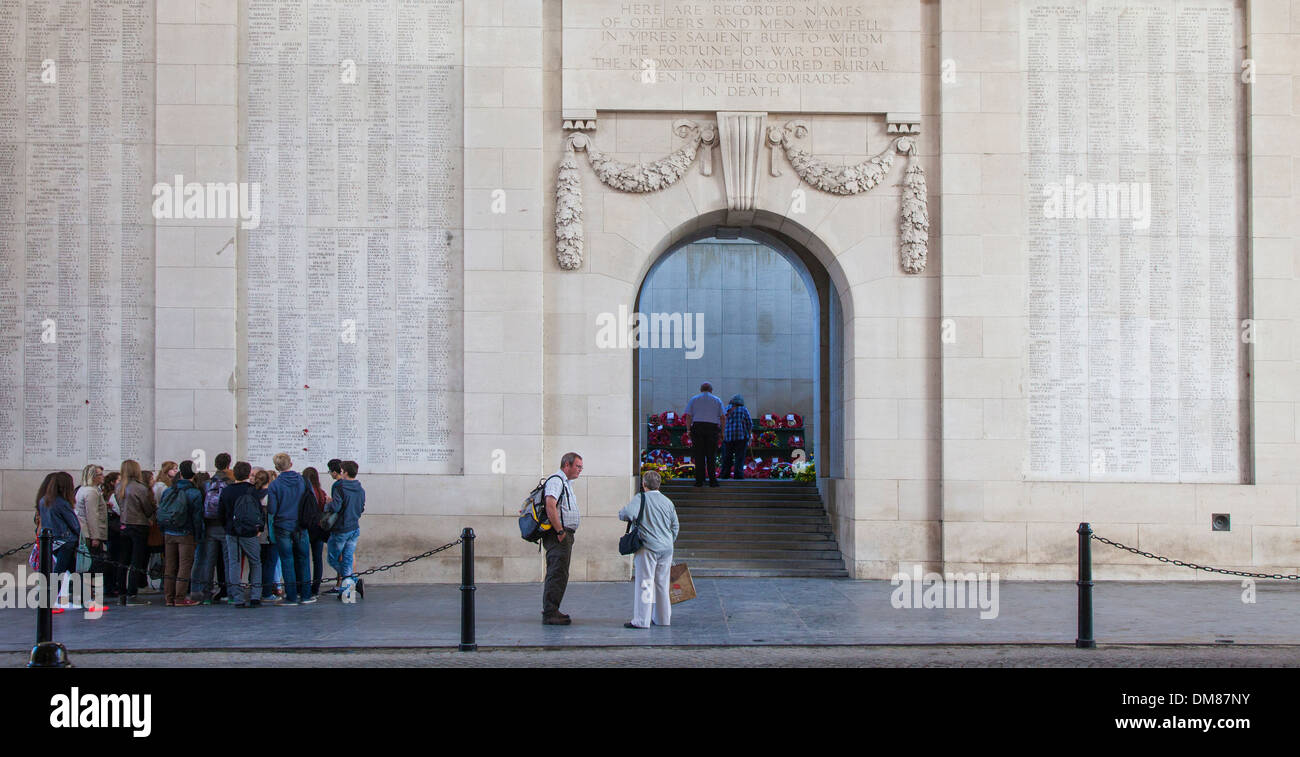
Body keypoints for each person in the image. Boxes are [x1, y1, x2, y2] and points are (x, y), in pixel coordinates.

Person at [618, 470, 679, 629]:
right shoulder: (667, 501)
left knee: (645, 583)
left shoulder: (641, 498)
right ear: (658, 484)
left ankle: (641, 620)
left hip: (647, 547)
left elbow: (627, 513)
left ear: (644, 484)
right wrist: (668, 540)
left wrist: (622, 514)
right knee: (662, 584)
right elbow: (675, 526)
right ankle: (663, 618)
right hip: (666, 548)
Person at [540, 452, 583, 625]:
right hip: (558, 534)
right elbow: (550, 505)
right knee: (557, 572)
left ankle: (553, 609)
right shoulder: (556, 481)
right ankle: (550, 612)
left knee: (560, 572)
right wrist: (559, 531)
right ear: (567, 464)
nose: (580, 470)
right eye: (578, 466)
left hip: (564, 533)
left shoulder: (565, 482)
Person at [266, 452, 313, 605]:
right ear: (291, 464)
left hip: (283, 525)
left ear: (276, 468)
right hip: (300, 525)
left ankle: (291, 596)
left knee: (287, 560)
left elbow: (272, 509)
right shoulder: (303, 481)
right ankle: (306, 595)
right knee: (304, 559)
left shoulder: (275, 485)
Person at [158, 460, 204, 607]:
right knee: (184, 565)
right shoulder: (195, 493)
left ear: (181, 473)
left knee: (170, 565)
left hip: (168, 531)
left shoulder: (169, 490)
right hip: (186, 533)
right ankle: (180, 597)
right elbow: (197, 517)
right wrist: (198, 536)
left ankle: (168, 597)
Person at [218, 462, 263, 608]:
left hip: (232, 531)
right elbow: (258, 512)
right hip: (249, 532)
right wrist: (259, 528)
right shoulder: (252, 490)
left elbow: (221, 513)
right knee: (255, 562)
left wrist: (227, 526)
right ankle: (255, 595)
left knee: (234, 563)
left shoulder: (227, 491)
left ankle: (237, 597)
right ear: (249, 474)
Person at [191, 453, 232, 603]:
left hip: (209, 526)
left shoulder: (206, 484)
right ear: (228, 465)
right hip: (225, 526)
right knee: (229, 561)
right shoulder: (230, 483)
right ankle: (232, 594)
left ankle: (206, 594)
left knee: (209, 560)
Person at [37, 472, 81, 608]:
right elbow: (74, 525)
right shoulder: (62, 503)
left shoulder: (44, 500)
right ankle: (49, 601)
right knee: (61, 571)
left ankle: (86, 598)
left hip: (52, 541)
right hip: (66, 540)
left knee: (70, 570)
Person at [115, 460, 156, 606]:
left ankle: (121, 593)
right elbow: (147, 508)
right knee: (136, 561)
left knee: (123, 560)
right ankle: (132, 593)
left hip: (124, 525)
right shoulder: (140, 488)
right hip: (138, 525)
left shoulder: (119, 487)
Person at [325, 460, 366, 602]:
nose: (340, 472)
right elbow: (361, 508)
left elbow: (336, 507)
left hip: (341, 528)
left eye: (342, 470)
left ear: (345, 472)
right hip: (354, 527)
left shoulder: (340, 487)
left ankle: (351, 582)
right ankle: (348, 592)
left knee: (332, 558)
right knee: (348, 559)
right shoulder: (360, 488)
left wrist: (328, 503)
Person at [683, 382, 724, 487]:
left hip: (698, 428)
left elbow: (688, 416)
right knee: (711, 455)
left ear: (701, 390)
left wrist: (688, 430)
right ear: (711, 390)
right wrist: (722, 432)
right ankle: (712, 481)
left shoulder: (694, 399)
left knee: (699, 455)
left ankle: (699, 481)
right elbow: (723, 417)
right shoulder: (717, 400)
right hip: (712, 429)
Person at [251, 469, 281, 602]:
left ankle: (255, 589)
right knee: (270, 563)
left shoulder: (252, 494)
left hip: (255, 534)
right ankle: (267, 592)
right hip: (269, 533)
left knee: (257, 563)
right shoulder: (271, 495)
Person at [74, 465, 107, 576]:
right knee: (93, 566)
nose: (103, 476)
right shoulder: (91, 492)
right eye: (100, 474)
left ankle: (87, 590)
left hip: (85, 532)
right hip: (89, 534)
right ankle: (91, 591)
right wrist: (95, 537)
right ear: (93, 476)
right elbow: (92, 516)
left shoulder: (84, 489)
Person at [301, 466, 329, 598]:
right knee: (317, 559)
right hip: (318, 527)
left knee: (304, 558)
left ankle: (304, 587)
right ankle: (315, 587)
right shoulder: (321, 492)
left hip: (306, 527)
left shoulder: (303, 492)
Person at [720, 394, 753, 480]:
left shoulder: (726, 409)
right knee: (739, 457)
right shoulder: (743, 409)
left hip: (727, 437)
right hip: (740, 437)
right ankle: (738, 475)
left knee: (727, 457)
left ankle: (725, 474)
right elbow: (749, 423)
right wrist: (749, 434)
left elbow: (721, 421)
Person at [101, 471, 122, 597]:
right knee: (114, 559)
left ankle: (110, 586)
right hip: (115, 531)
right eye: (119, 480)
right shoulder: (113, 496)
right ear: (113, 482)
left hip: (110, 530)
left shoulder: (105, 495)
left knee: (111, 558)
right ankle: (111, 586)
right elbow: (119, 511)